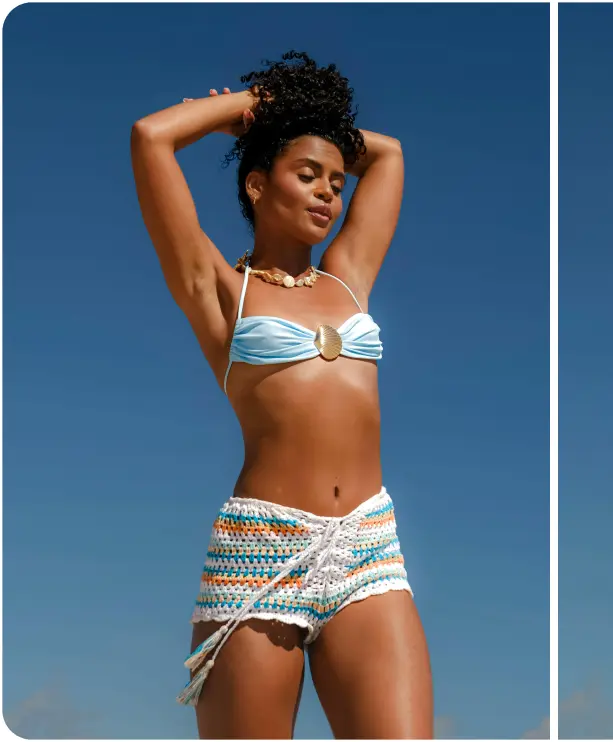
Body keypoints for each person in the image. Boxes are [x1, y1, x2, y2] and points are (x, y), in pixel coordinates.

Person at [130, 51, 433, 739]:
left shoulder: (348, 276)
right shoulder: (219, 290)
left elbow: (387, 156)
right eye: (307, 175)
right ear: (258, 186)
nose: (330, 192)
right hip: (261, 552)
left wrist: (307, 124)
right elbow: (152, 138)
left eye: (335, 181)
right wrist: (251, 112)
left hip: (368, 547)